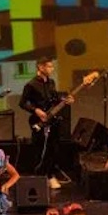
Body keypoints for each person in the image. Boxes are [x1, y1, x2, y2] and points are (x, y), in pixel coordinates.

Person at [19, 56, 73, 190]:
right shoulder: (31, 85)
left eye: (52, 66)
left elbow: (54, 99)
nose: (51, 69)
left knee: (53, 148)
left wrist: (65, 100)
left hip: (52, 120)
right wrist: (36, 110)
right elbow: (22, 103)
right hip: (39, 121)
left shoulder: (51, 83)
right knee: (40, 149)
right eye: (49, 66)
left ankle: (50, 174)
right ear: (40, 67)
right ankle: (41, 176)